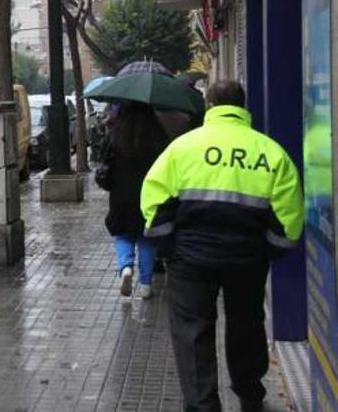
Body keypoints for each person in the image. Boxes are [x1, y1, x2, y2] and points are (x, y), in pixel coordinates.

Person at [141, 80, 303, 412]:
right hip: (247, 258)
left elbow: (154, 202)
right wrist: (268, 251)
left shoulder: (182, 148)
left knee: (192, 331)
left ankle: (203, 405)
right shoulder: (270, 152)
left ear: (210, 106)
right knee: (246, 324)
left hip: (190, 259)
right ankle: (249, 393)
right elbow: (288, 219)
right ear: (242, 108)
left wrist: (169, 247)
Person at [103, 102, 170, 300]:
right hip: (150, 193)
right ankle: (146, 285)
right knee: (146, 237)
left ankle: (125, 267)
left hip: (121, 193)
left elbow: (104, 161)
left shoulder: (115, 134)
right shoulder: (158, 135)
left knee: (123, 234)